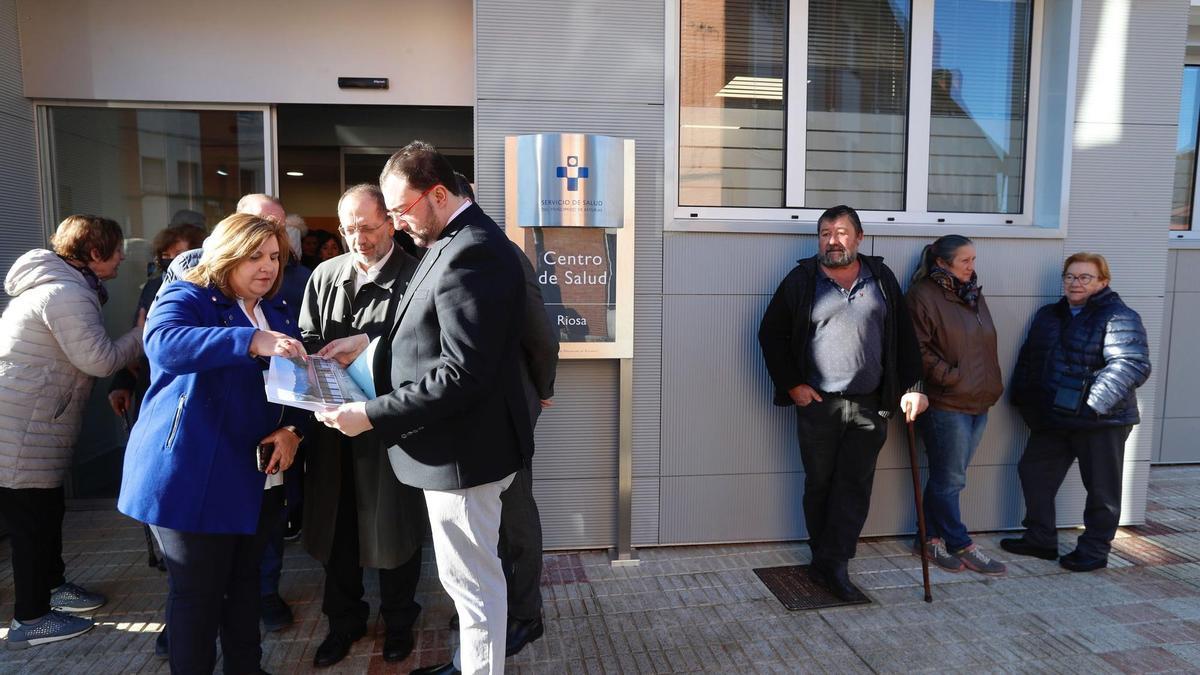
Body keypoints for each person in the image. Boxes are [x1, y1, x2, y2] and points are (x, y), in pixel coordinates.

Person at [316, 141, 532, 675]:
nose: (395, 223)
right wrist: (367, 345)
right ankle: (466, 665)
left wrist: (369, 413)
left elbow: (462, 372)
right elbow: (431, 336)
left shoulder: (472, 249)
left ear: (438, 193)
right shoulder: (453, 239)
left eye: (398, 210)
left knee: (473, 586)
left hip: (463, 456)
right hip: (460, 449)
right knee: (471, 580)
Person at [117, 212, 308, 674]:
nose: (267, 266)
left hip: (256, 474)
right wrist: (251, 340)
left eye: (275, 257)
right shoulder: (189, 293)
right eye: (255, 256)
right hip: (190, 473)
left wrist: (293, 429)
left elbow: (298, 378)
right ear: (227, 255)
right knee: (198, 596)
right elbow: (163, 343)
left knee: (244, 586)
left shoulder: (275, 306)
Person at [758, 204, 927, 602]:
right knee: (820, 484)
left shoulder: (881, 278)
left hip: (871, 403)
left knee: (855, 486)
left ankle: (836, 563)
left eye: (841, 232)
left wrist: (914, 386)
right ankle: (824, 558)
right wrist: (793, 385)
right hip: (819, 405)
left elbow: (904, 338)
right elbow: (770, 334)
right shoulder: (803, 280)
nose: (832, 241)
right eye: (824, 234)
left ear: (859, 237)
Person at [0, 215, 143, 649]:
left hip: (31, 422)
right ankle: (31, 618)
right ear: (94, 253)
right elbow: (99, 361)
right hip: (23, 428)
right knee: (31, 520)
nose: (122, 257)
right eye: (117, 249)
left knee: (46, 511)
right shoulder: (65, 293)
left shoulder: (64, 286)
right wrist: (143, 332)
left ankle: (52, 586)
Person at [298, 184, 424, 668]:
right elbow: (308, 335)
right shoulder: (325, 274)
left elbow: (426, 348)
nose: (358, 239)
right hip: (333, 428)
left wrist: (367, 342)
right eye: (348, 229)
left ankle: (399, 622)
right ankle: (343, 621)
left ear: (391, 223)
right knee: (337, 530)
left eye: (368, 228)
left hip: (390, 427)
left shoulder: (417, 276)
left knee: (396, 529)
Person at [450, 172, 558, 657]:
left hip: (507, 406)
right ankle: (488, 611)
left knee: (514, 514)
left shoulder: (499, 251)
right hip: (466, 410)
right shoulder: (442, 252)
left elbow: (540, 329)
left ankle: (525, 615)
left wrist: (544, 386)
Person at [1002, 252, 1151, 572]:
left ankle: (1095, 550)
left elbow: (1131, 365)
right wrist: (1024, 399)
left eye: (1085, 277)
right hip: (1054, 418)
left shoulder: (1118, 316)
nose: (1075, 283)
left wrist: (1092, 404)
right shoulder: (1049, 314)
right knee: (1034, 472)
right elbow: (1031, 359)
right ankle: (1040, 539)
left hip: (1101, 420)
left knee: (1102, 490)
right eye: (1070, 276)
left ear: (1103, 282)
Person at [906, 235, 1005, 575]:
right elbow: (915, 350)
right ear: (942, 263)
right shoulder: (922, 296)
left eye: (973, 260)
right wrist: (952, 377)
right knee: (951, 479)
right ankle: (960, 542)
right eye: (965, 261)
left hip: (979, 400)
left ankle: (930, 538)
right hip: (946, 402)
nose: (972, 267)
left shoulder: (972, 295)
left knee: (950, 477)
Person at [108, 223, 206, 420]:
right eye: (165, 255)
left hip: (194, 390)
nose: (170, 260)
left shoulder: (213, 290)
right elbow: (140, 333)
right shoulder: (154, 286)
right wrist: (122, 383)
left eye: (178, 254)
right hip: (150, 384)